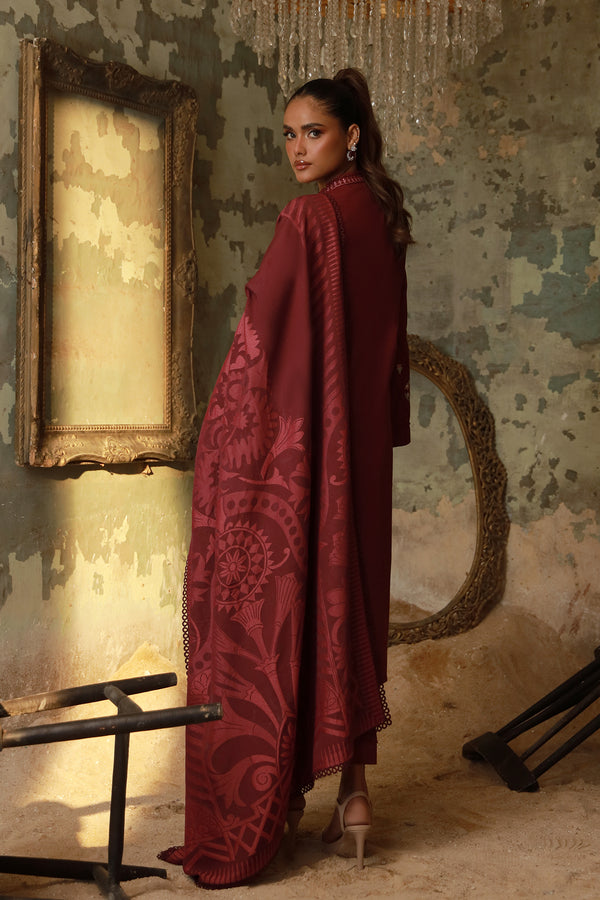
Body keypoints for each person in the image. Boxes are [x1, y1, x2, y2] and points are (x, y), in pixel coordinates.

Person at [159, 67, 412, 888]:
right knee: (351, 604)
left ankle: (291, 795)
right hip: (363, 455)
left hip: (317, 451)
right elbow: (390, 351)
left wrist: (224, 436)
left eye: (314, 132)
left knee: (302, 602)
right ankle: (355, 794)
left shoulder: (310, 219)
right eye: (289, 135)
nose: (297, 150)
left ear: (351, 137)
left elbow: (261, 338)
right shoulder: (382, 221)